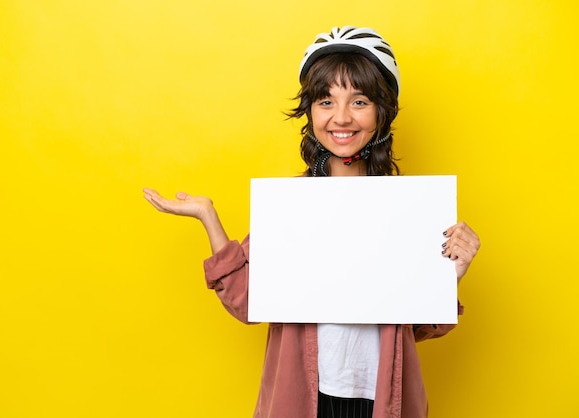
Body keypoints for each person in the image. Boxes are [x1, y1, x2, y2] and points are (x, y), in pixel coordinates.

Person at [144, 26, 480, 418]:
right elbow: (249, 301)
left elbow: (418, 326)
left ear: (381, 112)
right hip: (304, 398)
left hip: (380, 399)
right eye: (325, 101)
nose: (341, 117)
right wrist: (208, 217)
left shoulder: (410, 206)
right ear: (310, 112)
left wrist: (450, 273)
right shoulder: (291, 204)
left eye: (359, 101)